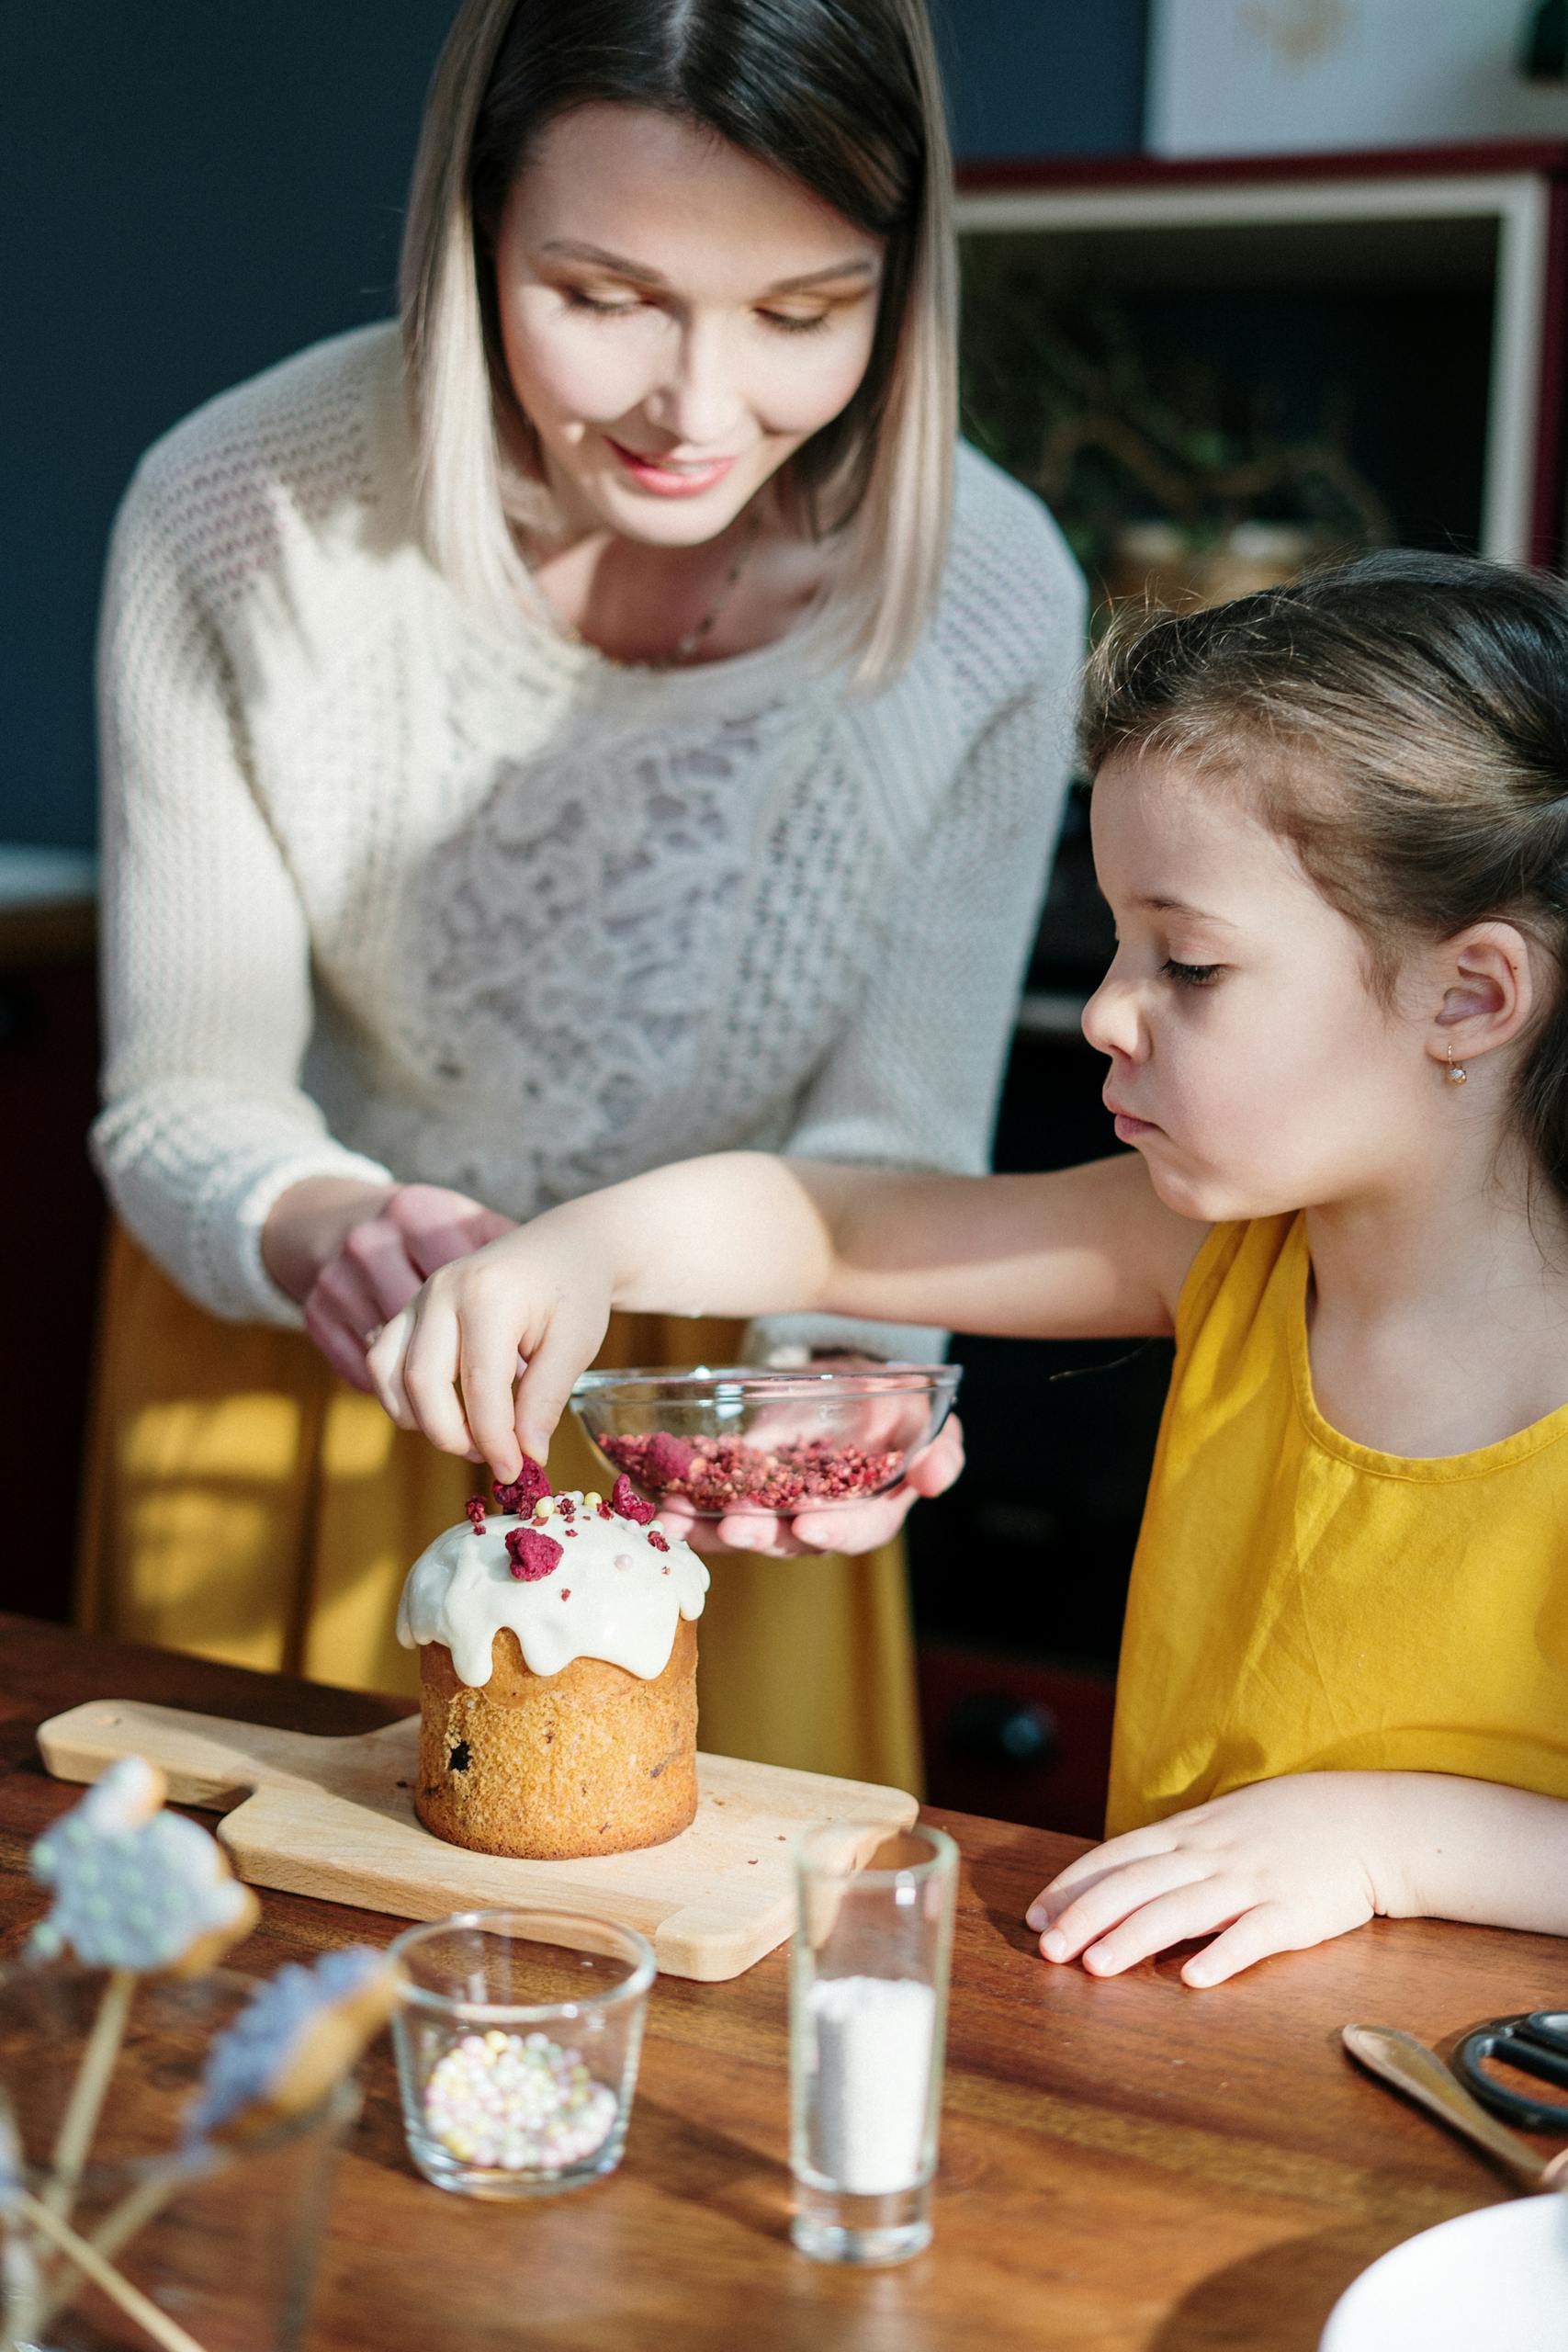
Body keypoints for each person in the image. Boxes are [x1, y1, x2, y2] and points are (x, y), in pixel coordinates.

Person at [82, 0, 1086, 1783]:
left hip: (704, 1411)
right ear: (470, 226)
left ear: (903, 279)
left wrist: (824, 1395)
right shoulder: (237, 511)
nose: (696, 408)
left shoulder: (988, 596)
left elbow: (898, 1130)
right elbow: (183, 1097)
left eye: (802, 312)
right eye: (602, 294)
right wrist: (336, 1224)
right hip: (311, 1362)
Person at [369, 549, 1568, 1983]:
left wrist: (1380, 1843)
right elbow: (842, 1231)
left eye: (1187, 966)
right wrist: (586, 1244)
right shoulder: (1222, 1254)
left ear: (1470, 994)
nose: (1109, 1014)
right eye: (1120, 943)